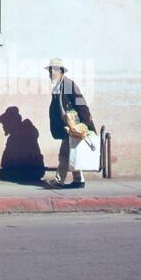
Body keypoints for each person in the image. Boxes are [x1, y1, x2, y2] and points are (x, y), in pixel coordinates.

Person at [45, 58, 96, 189]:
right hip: (68, 127)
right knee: (73, 153)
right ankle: (79, 180)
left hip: (74, 126)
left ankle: (59, 180)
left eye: (53, 70)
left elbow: (80, 103)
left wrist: (86, 124)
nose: (51, 73)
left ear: (60, 71)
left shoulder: (67, 84)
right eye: (50, 70)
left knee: (65, 153)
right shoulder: (58, 86)